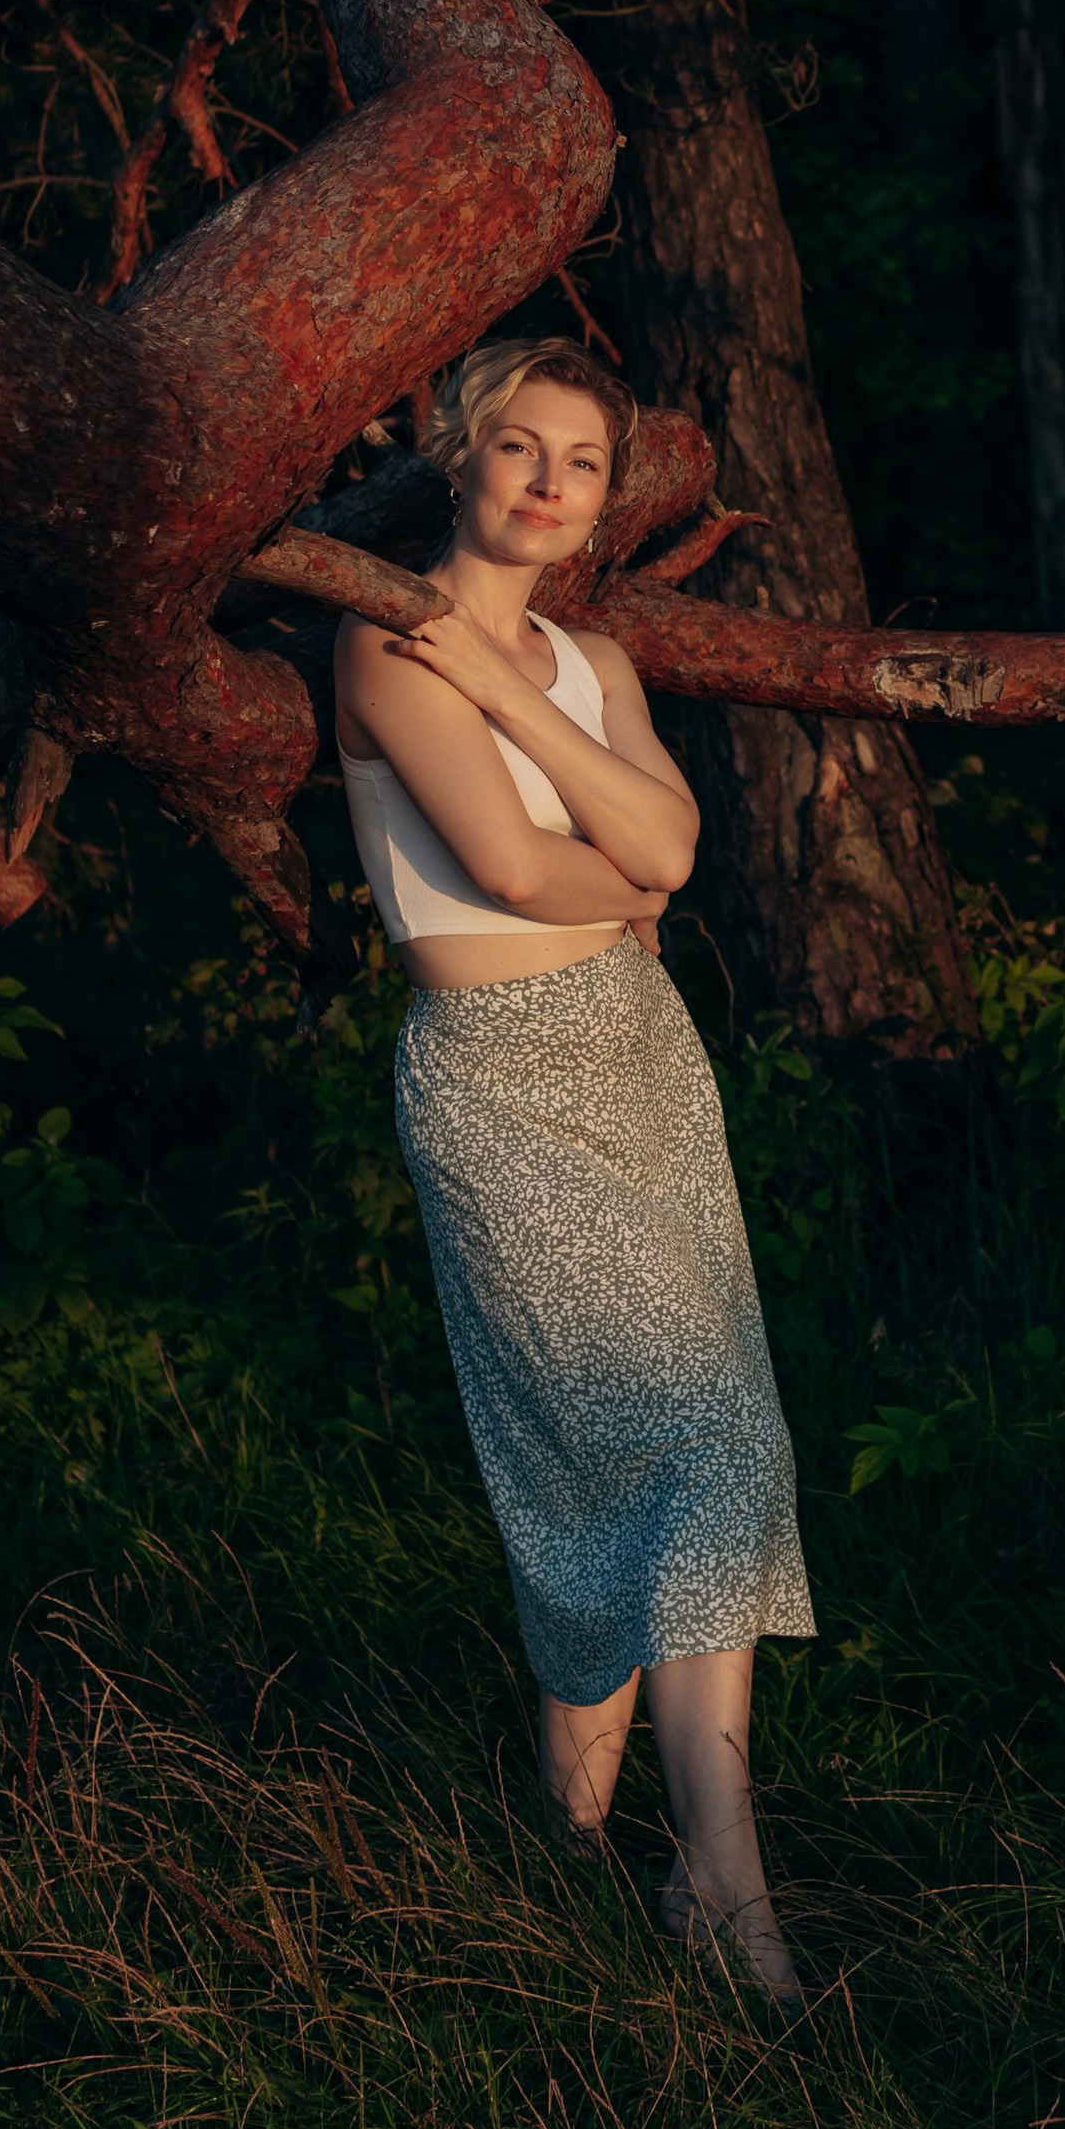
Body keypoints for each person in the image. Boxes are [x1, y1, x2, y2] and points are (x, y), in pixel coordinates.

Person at [335, 336, 813, 2003]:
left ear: (609, 493)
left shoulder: (593, 658)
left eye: (583, 462)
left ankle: (567, 1848)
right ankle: (727, 1893)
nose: (547, 484)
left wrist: (514, 690)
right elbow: (517, 863)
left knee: (668, 1441)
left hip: (642, 1060)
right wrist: (617, 873)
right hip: (501, 1084)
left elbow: (673, 851)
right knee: (691, 1441)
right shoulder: (385, 637)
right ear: (458, 457)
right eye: (518, 449)